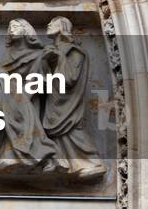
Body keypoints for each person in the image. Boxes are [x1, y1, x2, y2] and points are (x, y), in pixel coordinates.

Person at [0, 19, 57, 173]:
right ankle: (3, 155)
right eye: (10, 28)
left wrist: (19, 99)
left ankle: (34, 155)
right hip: (7, 98)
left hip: (27, 98)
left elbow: (38, 81)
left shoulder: (39, 55)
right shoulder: (7, 57)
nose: (12, 30)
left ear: (26, 30)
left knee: (1, 82)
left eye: (16, 27)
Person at [41, 17, 107, 179]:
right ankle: (65, 163)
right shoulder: (51, 50)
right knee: (54, 130)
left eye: (53, 22)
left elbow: (71, 78)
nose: (48, 24)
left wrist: (59, 57)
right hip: (52, 97)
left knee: (71, 128)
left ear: (62, 27)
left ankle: (93, 163)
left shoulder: (74, 51)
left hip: (67, 99)